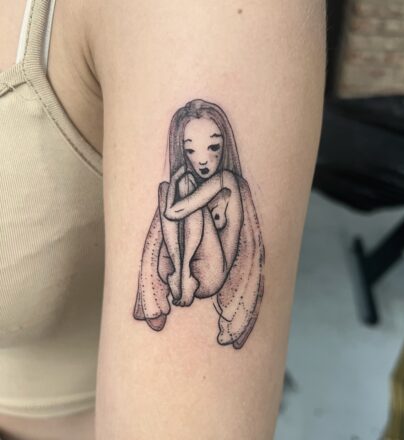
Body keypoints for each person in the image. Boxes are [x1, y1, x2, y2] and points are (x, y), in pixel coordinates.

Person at [0, 0, 326, 439]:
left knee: (175, 197)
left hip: (206, 273)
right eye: (191, 151)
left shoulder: (225, 179)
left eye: (212, 148)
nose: (203, 159)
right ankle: (178, 280)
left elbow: (176, 212)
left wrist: (174, 201)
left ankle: (181, 282)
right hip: (183, 261)